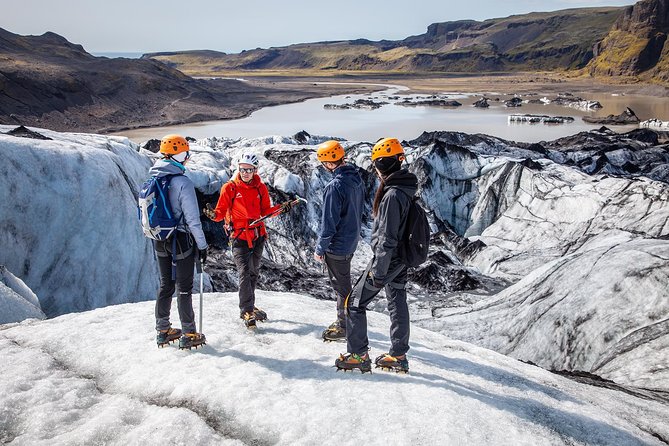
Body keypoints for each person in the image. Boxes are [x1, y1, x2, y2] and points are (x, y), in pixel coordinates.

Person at [335, 138, 417, 373]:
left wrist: (378, 271)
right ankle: (398, 355)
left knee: (354, 303)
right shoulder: (406, 188)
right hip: (401, 260)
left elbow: (387, 237)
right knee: (397, 301)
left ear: (380, 166)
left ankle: (359, 356)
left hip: (388, 260)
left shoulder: (392, 195)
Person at [203, 152, 290, 329]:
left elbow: (266, 211)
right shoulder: (230, 188)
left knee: (253, 272)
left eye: (249, 170)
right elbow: (220, 212)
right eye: (242, 169)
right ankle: (246, 310)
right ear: (238, 169)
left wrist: (281, 208)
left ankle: (250, 305)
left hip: (258, 235)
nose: (245, 173)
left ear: (255, 170)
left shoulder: (261, 188)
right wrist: (213, 215)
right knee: (244, 272)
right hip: (239, 236)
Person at [151, 134, 208, 349]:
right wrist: (202, 246)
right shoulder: (182, 182)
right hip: (182, 240)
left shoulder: (154, 179)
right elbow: (193, 221)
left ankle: (163, 330)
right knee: (184, 288)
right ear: (181, 155)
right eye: (186, 154)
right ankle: (189, 333)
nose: (187, 158)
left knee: (166, 284)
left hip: (160, 238)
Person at [314, 140, 365, 341]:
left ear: (329, 163)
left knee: (341, 287)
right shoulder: (356, 179)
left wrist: (320, 248)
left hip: (338, 245)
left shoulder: (335, 186)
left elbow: (329, 223)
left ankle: (344, 326)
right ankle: (346, 321)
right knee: (343, 284)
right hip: (351, 241)